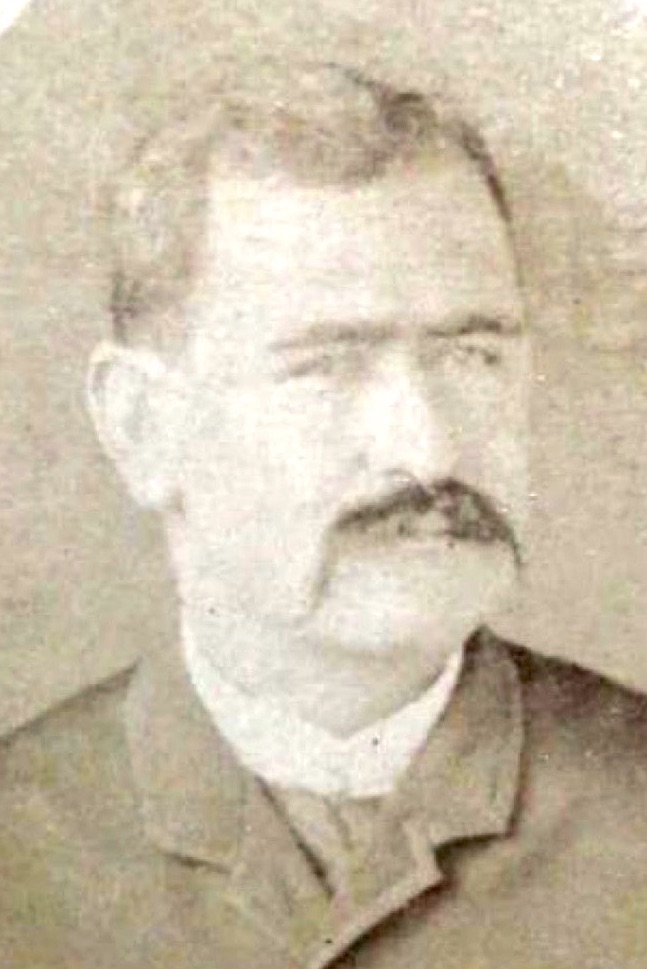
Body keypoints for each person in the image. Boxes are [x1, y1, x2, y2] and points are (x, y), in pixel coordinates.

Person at [1, 59, 646, 969]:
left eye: (471, 356)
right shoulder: (21, 847)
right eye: (327, 367)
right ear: (142, 425)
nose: (428, 451)